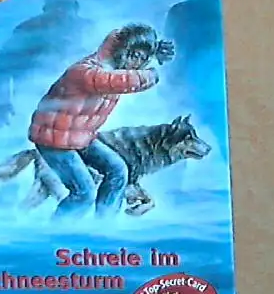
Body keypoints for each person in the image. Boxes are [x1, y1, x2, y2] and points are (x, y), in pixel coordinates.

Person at [27, 23, 175, 218]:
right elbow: (115, 81)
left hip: (80, 136)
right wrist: (152, 74)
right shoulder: (86, 71)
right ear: (123, 51)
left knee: (118, 171)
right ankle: (59, 229)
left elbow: (122, 55)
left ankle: (105, 224)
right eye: (134, 56)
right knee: (83, 192)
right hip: (52, 139)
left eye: (143, 59)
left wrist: (152, 48)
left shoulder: (118, 66)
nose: (137, 63)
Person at [0, 0, 94, 127]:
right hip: (33, 103)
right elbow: (2, 66)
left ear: (75, 9)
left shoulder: (88, 30)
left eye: (65, 6)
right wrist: (0, 103)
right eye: (57, 6)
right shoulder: (28, 30)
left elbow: (109, 65)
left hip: (80, 106)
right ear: (46, 9)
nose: (61, 11)